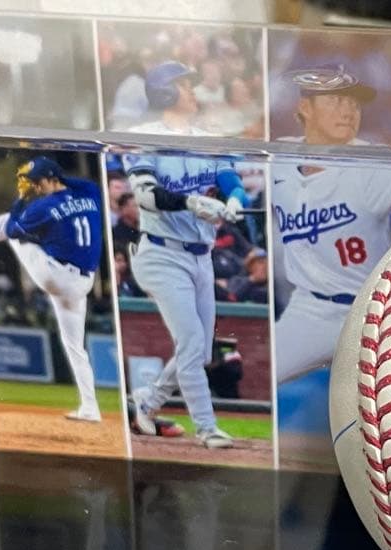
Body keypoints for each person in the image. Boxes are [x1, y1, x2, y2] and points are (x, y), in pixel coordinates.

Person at [122, 61, 250, 450]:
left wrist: (235, 200)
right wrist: (190, 202)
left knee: (201, 349)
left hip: (201, 256)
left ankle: (147, 402)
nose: (192, 90)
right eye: (183, 84)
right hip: (161, 254)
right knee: (192, 340)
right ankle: (207, 428)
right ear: (163, 92)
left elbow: (231, 181)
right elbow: (146, 195)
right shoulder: (145, 137)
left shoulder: (207, 138)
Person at [271, 65, 391, 384]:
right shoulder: (280, 156)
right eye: (336, 100)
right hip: (309, 309)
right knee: (259, 377)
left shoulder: (372, 163)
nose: (348, 111)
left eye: (354, 103)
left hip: (369, 313)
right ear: (305, 107)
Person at [0, 156, 104, 422]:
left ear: (51, 178)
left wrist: (20, 200)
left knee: (7, 226)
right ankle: (90, 408)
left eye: (37, 182)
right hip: (82, 284)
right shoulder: (90, 192)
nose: (35, 187)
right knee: (75, 346)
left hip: (55, 277)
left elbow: (13, 229)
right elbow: (75, 185)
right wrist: (55, 178)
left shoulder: (44, 207)